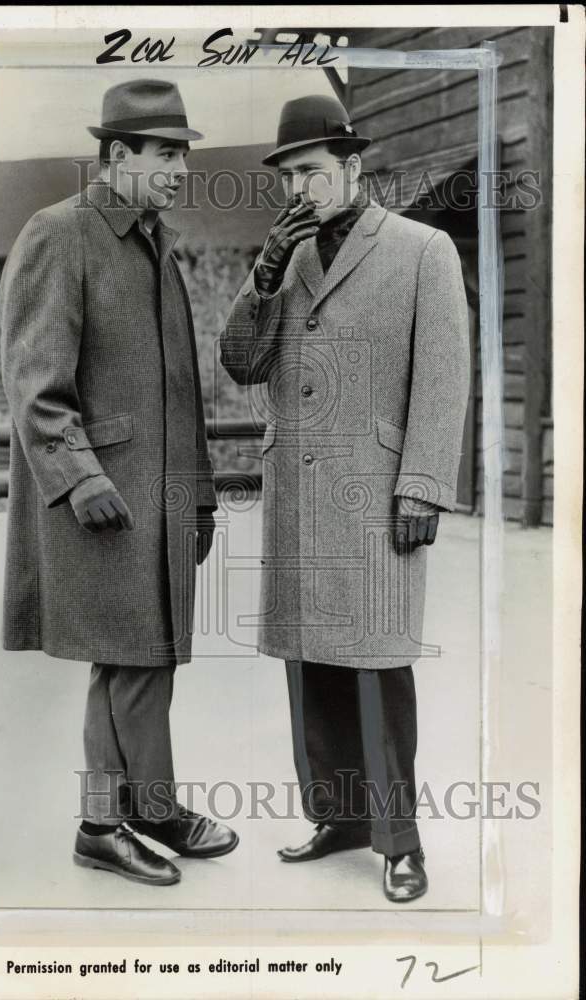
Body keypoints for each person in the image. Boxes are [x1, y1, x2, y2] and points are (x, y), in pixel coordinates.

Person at [220, 94, 471, 902]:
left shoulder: (422, 249)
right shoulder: (286, 258)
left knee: (377, 666)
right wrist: (262, 276)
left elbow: (443, 379)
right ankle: (337, 818)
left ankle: (400, 844)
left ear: (352, 166)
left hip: (375, 493)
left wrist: (422, 485)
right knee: (310, 665)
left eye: (311, 171)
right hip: (300, 492)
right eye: (287, 175)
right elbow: (241, 363)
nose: (299, 188)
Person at [0, 79, 237, 887]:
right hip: (104, 498)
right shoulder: (59, 233)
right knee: (129, 659)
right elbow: (34, 382)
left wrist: (198, 496)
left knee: (147, 657)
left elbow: (181, 390)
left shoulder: (153, 241)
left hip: (158, 500)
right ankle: (107, 824)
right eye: (165, 154)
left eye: (183, 155)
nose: (179, 170)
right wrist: (76, 477)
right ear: (116, 154)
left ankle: (145, 807)